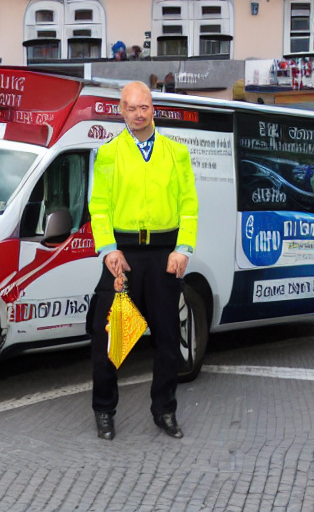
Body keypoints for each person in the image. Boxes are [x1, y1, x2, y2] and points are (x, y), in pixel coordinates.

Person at [88, 81, 199, 440]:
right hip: (125, 256)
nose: (138, 114)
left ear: (154, 109)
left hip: (165, 256)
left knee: (168, 340)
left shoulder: (176, 153)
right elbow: (99, 206)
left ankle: (165, 410)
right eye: (131, 108)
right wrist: (108, 250)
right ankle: (104, 410)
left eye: (145, 107)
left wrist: (183, 249)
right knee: (113, 341)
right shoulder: (109, 154)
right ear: (121, 111)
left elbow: (189, 206)